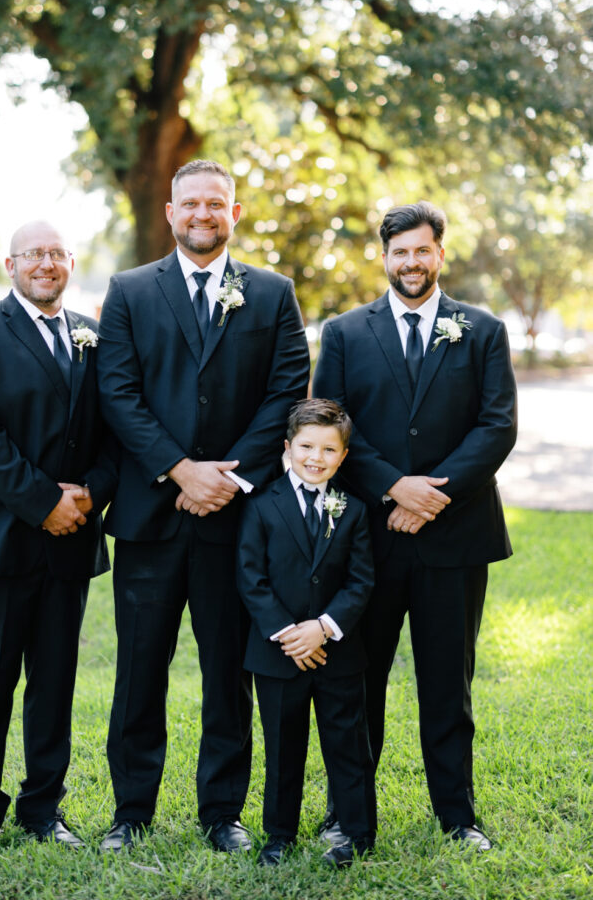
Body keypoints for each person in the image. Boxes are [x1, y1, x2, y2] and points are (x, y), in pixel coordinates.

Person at [96, 159, 310, 854]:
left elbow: (286, 391)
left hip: (236, 519)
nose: (202, 215)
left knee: (228, 673)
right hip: (150, 518)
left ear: (235, 213)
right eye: (190, 204)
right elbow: (118, 393)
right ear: (169, 212)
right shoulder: (128, 291)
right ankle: (131, 813)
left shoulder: (272, 294)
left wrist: (229, 477)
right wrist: (178, 469)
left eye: (215, 204)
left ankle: (222, 813)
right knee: (139, 672)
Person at [312, 201, 517, 852]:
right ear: (383, 257)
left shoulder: (480, 330)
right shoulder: (345, 332)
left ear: (439, 254)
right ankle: (348, 817)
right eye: (398, 252)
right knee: (356, 681)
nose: (410, 262)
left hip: (455, 538)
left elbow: (496, 426)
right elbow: (329, 422)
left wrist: (434, 496)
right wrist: (391, 486)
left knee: (446, 682)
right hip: (366, 539)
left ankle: (457, 816)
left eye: (421, 250)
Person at [0, 221, 117, 863]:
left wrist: (89, 495)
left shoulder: (93, 339)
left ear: (71, 262)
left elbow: (113, 428)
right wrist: (45, 504)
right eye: (33, 254)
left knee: (55, 683)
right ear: (10, 263)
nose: (45, 264)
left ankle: (45, 809)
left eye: (56, 254)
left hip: (70, 540)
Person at [237, 398, 376, 868]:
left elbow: (361, 580)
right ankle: (279, 836)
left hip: (337, 650)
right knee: (282, 747)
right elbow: (250, 578)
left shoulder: (353, 510)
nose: (316, 458)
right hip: (278, 654)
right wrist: (287, 634)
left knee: (347, 747)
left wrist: (323, 628)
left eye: (329, 450)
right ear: (287, 447)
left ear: (343, 456)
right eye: (306, 447)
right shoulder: (261, 506)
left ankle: (356, 834)